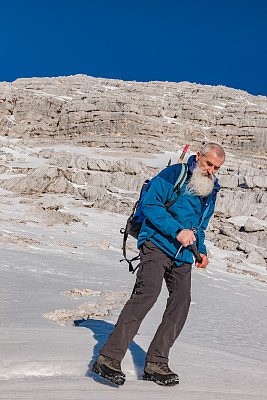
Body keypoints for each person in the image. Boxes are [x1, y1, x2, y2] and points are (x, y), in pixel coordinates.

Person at [92, 143, 225, 386]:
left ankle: (156, 363)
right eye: (208, 164)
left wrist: (201, 252)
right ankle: (107, 358)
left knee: (181, 303)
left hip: (184, 254)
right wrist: (177, 231)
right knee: (148, 293)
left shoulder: (212, 189)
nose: (211, 171)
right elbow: (151, 205)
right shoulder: (173, 174)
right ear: (198, 157)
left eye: (216, 167)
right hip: (156, 242)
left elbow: (200, 227)